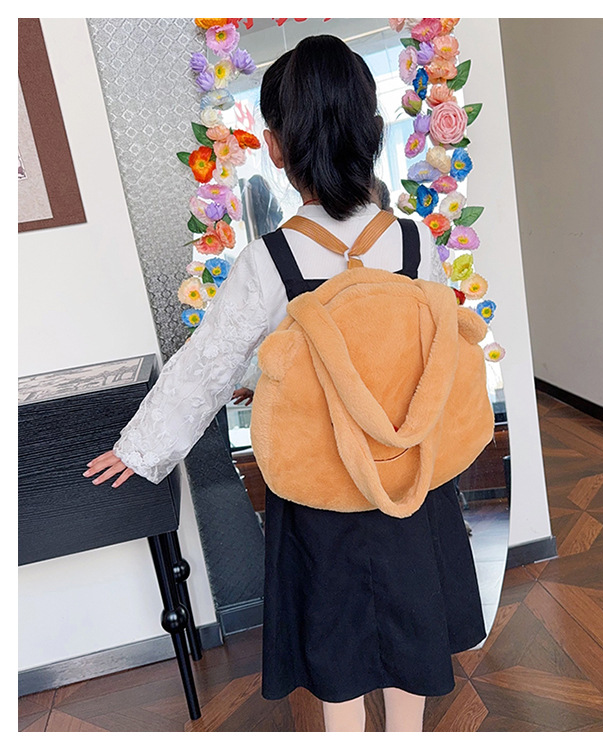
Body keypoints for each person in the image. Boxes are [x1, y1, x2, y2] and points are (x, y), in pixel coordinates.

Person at [84, 35, 486, 732]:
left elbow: (209, 361)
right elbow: (426, 354)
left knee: (337, 644)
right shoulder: (414, 241)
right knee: (413, 630)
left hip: (321, 487)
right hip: (409, 478)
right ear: (374, 130)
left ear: (274, 147)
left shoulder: (270, 258)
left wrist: (139, 449)